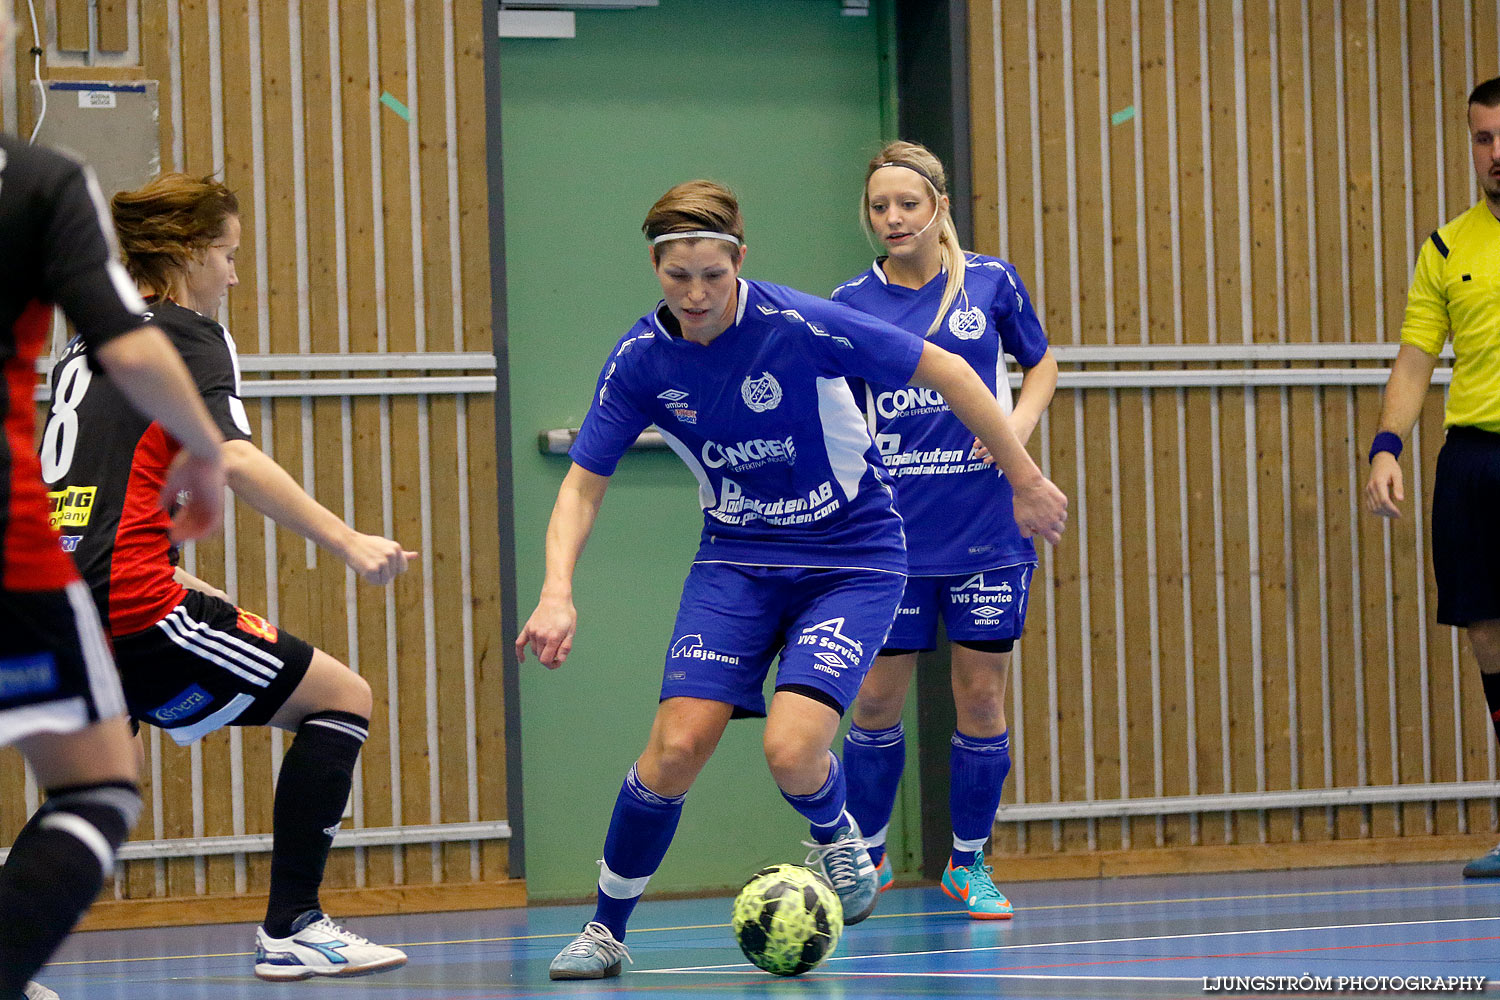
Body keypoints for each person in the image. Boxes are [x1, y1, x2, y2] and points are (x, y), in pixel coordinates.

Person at [515, 179, 1067, 980]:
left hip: (853, 559)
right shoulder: (641, 360)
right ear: (655, 268)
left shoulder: (801, 323)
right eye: (679, 277)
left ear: (741, 258)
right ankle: (606, 929)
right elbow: (582, 481)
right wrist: (557, 591)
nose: (698, 294)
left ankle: (835, 833)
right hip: (736, 564)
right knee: (674, 749)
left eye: (714, 272)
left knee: (790, 749)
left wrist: (1021, 475)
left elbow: (947, 368)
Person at [38, 173, 414, 979]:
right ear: (183, 256)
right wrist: (348, 540)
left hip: (62, 599)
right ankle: (294, 926)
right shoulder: (187, 333)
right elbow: (233, 456)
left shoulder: (87, 341)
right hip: (132, 604)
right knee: (343, 699)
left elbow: (95, 486)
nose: (234, 276)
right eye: (227, 255)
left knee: (90, 790)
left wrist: (179, 573)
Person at [0, 12, 228, 998]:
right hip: (11, 556)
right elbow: (127, 345)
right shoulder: (41, 183)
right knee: (94, 782)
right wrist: (205, 454)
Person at [831, 141, 1057, 919]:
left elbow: (1043, 364)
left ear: (938, 208)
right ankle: (863, 855)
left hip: (986, 529)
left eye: (907, 204)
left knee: (981, 698)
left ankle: (968, 863)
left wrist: (1014, 432)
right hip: (892, 536)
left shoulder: (991, 282)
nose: (892, 218)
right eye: (879, 207)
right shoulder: (849, 302)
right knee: (873, 698)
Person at [1366, 76, 1500, 880]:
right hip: (1475, 461)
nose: (1496, 154)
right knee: (1489, 636)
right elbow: (1416, 360)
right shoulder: (1446, 248)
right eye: (1482, 139)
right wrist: (1388, 443)